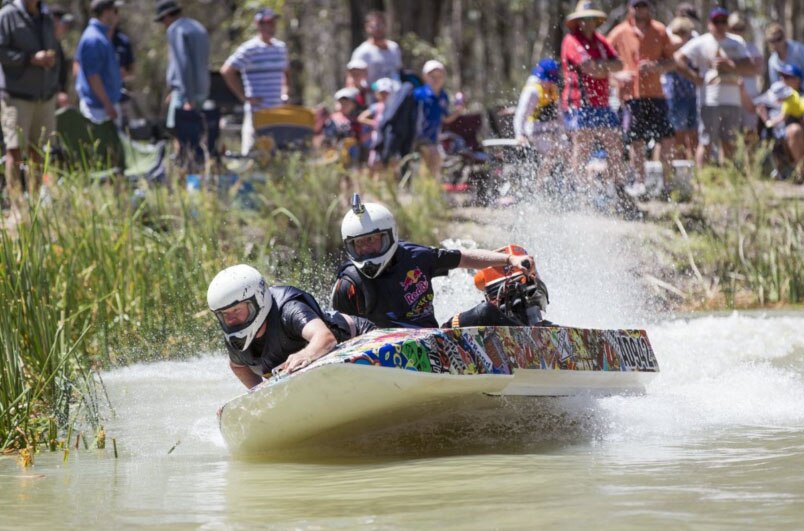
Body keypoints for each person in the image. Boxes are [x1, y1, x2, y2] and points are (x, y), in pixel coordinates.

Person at [331, 195, 544, 330]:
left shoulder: (416, 256)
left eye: (371, 240)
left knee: (485, 313)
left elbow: (465, 257)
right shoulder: (348, 284)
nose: (365, 249)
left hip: (435, 345)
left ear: (389, 236)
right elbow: (340, 330)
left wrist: (509, 259)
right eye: (358, 244)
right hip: (382, 357)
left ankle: (532, 338)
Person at [207, 264, 375, 389]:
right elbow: (237, 365)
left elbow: (325, 338)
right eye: (224, 315)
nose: (231, 319)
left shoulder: (289, 309)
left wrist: (306, 354)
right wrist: (258, 393)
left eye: (236, 310)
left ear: (257, 301)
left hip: (362, 339)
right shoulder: (235, 339)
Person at [607, 0, 676, 198]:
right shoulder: (619, 32)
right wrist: (616, 76)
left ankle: (667, 185)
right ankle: (639, 182)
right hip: (631, 96)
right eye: (637, 5)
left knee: (668, 138)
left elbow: (673, 62)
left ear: (650, 7)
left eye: (644, 5)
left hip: (656, 95)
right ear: (630, 8)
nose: (640, 9)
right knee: (636, 140)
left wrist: (656, 67)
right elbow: (603, 60)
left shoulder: (660, 30)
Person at [674, 7, 754, 168]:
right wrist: (694, 77)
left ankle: (727, 184)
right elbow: (677, 58)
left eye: (723, 21)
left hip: (733, 100)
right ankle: (703, 185)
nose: (720, 25)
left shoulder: (737, 42)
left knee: (729, 143)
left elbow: (750, 67)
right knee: (706, 142)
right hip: (709, 100)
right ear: (709, 23)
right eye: (716, 21)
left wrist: (730, 64)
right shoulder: (701, 41)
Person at [560, 1, 625, 195]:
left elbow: (619, 65)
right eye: (584, 19)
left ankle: (616, 187)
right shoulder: (572, 41)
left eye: (591, 19)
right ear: (578, 21)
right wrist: (605, 68)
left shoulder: (601, 41)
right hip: (579, 103)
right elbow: (590, 69)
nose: (588, 23)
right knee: (583, 145)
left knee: (615, 142)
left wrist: (601, 67)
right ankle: (576, 189)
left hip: (602, 103)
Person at [0, 0, 61, 203]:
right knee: (15, 151)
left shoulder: (46, 16)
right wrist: (29, 59)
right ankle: (16, 204)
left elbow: (55, 49)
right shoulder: (7, 15)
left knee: (37, 151)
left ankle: (34, 202)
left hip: (44, 96)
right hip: (16, 96)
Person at [221, 7, 289, 156]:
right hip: (256, 113)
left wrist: (285, 92)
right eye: (266, 23)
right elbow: (227, 71)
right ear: (258, 25)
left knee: (276, 155)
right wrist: (243, 97)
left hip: (277, 112)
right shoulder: (249, 49)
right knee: (252, 154)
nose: (271, 26)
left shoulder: (280, 48)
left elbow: (285, 73)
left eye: (272, 23)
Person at [154, 0, 209, 130]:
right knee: (198, 132)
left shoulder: (176, 29)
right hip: (202, 89)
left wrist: (187, 97)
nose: (164, 24)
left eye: (162, 20)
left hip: (186, 94)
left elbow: (183, 64)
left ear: (166, 16)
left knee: (180, 134)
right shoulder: (198, 26)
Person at [74, 0, 123, 125]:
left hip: (104, 106)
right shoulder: (93, 39)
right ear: (106, 12)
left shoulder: (102, 35)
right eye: (114, 11)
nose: (117, 14)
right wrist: (107, 104)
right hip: (98, 108)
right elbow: (93, 76)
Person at [413, 60, 462, 181]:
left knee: (435, 162)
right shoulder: (418, 94)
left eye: (439, 76)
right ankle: (425, 189)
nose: (436, 79)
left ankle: (430, 191)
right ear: (425, 77)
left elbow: (446, 119)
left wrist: (457, 111)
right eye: (432, 76)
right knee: (433, 157)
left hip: (433, 137)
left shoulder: (443, 96)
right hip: (419, 137)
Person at [664, 17, 698, 160]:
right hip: (675, 97)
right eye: (679, 33)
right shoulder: (669, 47)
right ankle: (678, 166)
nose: (682, 37)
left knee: (694, 134)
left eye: (685, 33)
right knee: (678, 135)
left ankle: (694, 167)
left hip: (693, 95)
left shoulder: (693, 47)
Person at [763, 64, 804, 177]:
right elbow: (755, 106)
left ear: (797, 80)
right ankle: (801, 172)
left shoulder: (798, 97)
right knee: (795, 130)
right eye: (781, 76)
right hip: (779, 137)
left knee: (796, 130)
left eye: (787, 76)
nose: (782, 79)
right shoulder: (772, 94)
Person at [727, 12, 763, 134]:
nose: (738, 31)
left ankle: (751, 154)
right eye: (734, 28)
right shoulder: (723, 46)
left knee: (750, 131)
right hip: (729, 96)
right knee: (730, 133)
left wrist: (731, 66)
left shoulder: (751, 47)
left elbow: (758, 68)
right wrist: (746, 66)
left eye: (741, 28)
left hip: (750, 94)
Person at [349, 10, 401, 88]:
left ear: (386, 26)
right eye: (373, 26)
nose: (377, 29)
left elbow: (398, 70)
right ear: (367, 27)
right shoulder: (362, 51)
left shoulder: (394, 47)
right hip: (373, 95)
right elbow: (352, 78)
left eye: (380, 25)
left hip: (395, 95)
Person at [49, 5, 74, 109]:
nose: (66, 26)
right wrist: (57, 92)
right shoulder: (47, 44)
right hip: (49, 98)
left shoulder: (57, 43)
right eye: (63, 22)